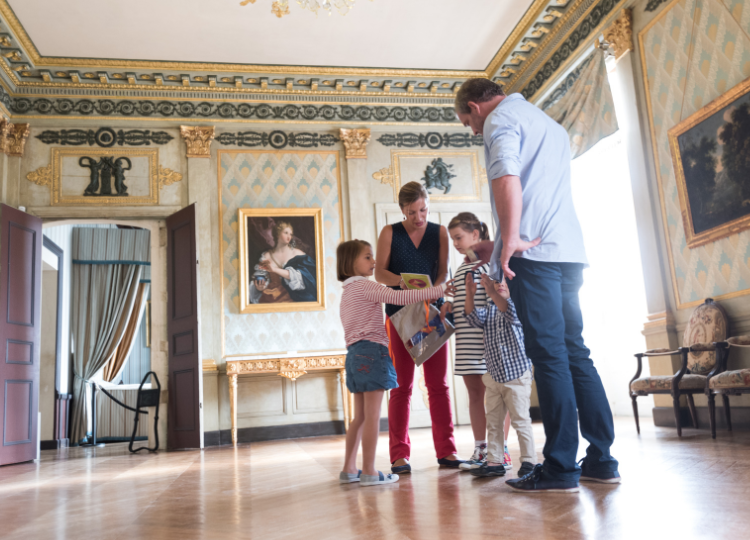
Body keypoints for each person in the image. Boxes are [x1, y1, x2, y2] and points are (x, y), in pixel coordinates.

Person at [455, 78, 620, 493]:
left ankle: (561, 466)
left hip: (535, 256)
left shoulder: (498, 121)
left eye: (466, 122)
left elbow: (506, 175)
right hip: (568, 251)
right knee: (575, 352)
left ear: (475, 107)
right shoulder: (547, 122)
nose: (472, 131)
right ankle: (601, 459)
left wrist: (507, 241)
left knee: (548, 357)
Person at [337, 239, 455, 486]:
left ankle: (349, 469)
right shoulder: (364, 287)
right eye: (367, 257)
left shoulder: (347, 292)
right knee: (371, 417)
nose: (374, 261)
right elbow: (399, 298)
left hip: (354, 355)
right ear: (352, 263)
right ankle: (369, 471)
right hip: (372, 353)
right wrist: (439, 290)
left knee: (359, 417)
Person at [375, 181, 464, 473]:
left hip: (431, 315)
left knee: (438, 385)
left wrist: (429, 291)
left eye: (423, 209)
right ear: (402, 209)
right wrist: (403, 282)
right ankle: (399, 454)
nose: (419, 217)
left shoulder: (439, 232)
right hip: (399, 316)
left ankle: (447, 451)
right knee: (401, 386)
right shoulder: (389, 232)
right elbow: (379, 274)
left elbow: (442, 274)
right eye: (412, 212)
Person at [442, 213, 513, 471]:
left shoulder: (489, 267)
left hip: (488, 343)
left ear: (475, 234)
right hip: (465, 343)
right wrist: (449, 304)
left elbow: (496, 304)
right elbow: (462, 301)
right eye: (453, 239)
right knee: (474, 396)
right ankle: (481, 448)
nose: (456, 243)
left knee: (496, 398)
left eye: (459, 237)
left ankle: (500, 450)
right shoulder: (462, 268)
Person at [464, 273, 537, 479]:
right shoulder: (489, 310)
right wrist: (470, 294)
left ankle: (529, 460)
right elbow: (472, 318)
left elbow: (508, 309)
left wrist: (492, 292)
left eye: (505, 282)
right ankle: (494, 460)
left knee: (520, 420)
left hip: (516, 375)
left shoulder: (516, 307)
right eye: (497, 282)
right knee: (493, 422)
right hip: (494, 376)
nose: (501, 285)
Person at [248, 220, 317, 304]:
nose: (289, 236)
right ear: (277, 234)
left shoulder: (298, 254)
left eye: (290, 234)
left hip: (294, 296)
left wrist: (274, 269)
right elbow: (260, 277)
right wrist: (259, 287)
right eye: (286, 233)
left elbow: (307, 278)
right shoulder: (267, 255)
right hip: (272, 296)